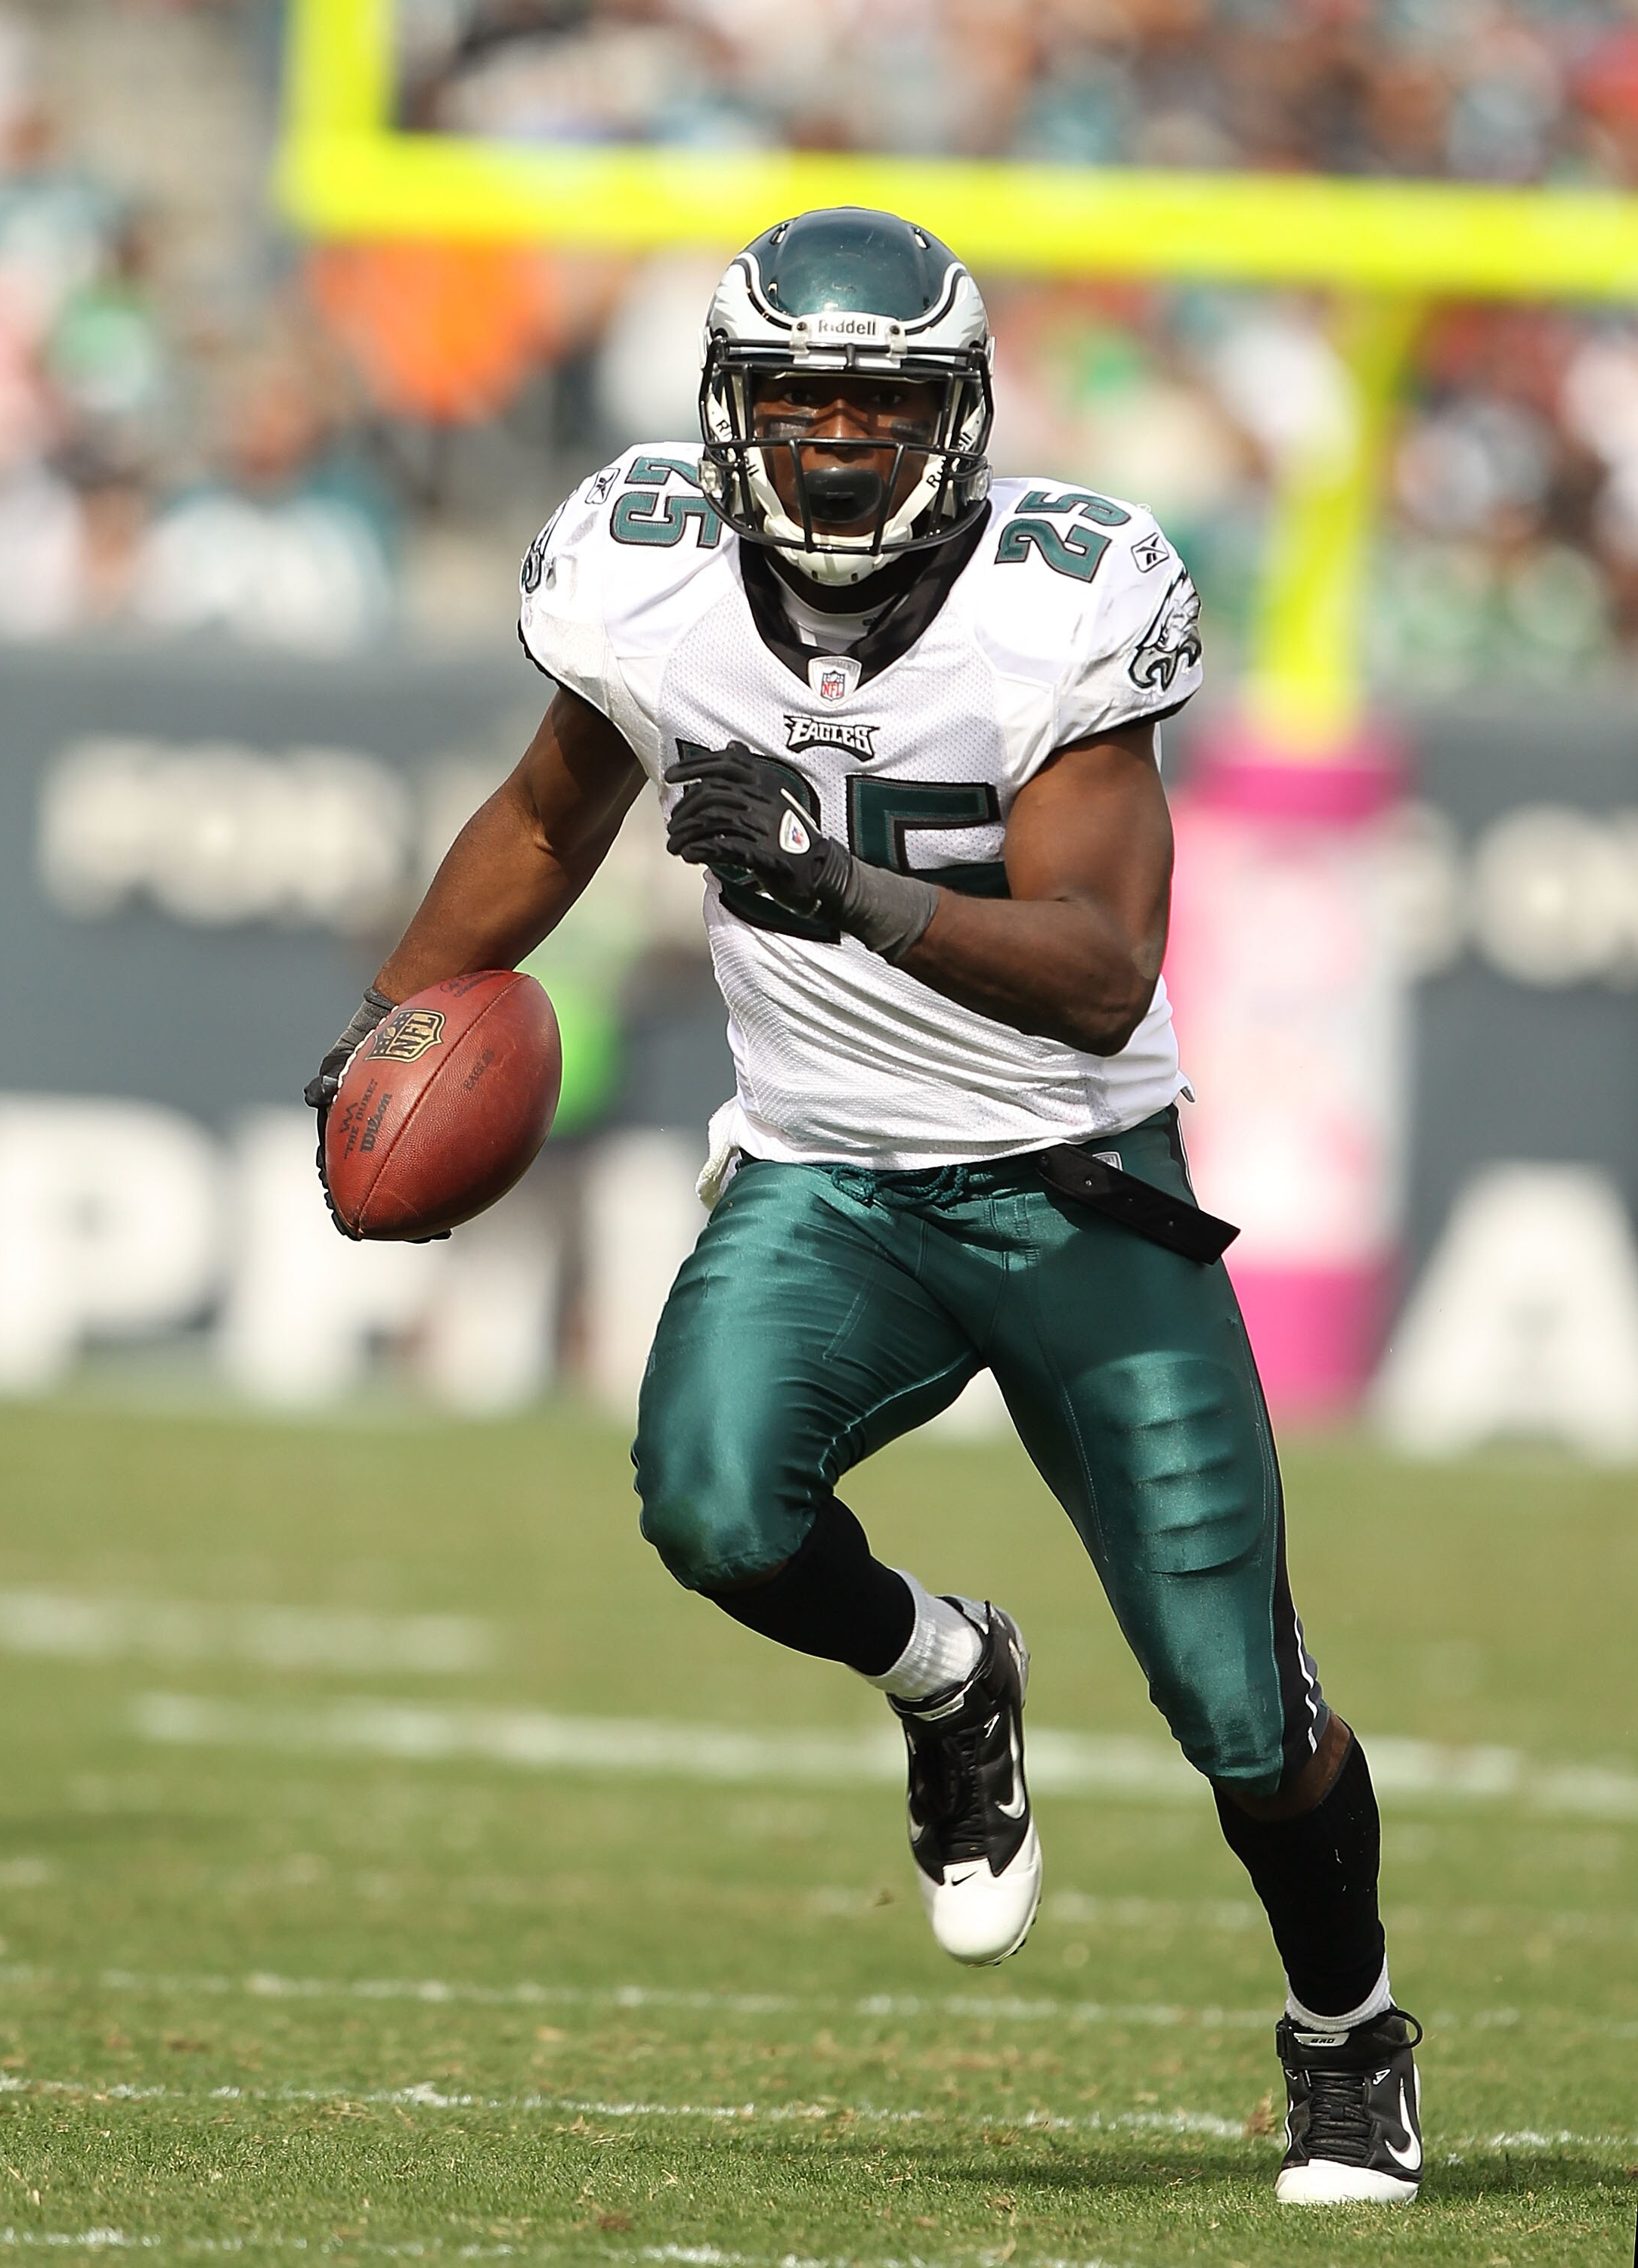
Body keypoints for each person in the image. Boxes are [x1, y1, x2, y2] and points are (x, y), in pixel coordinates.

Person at [306, 206, 1423, 2206]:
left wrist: (844, 886)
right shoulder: (649, 571)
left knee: (1237, 1706)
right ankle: (944, 1672)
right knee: (711, 1505)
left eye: (878, 405)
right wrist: (396, 1018)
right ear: (727, 409)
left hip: (1072, 1189)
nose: (835, 440)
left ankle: (1348, 2037)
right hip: (825, 1174)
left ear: (959, 418)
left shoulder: (1054, 604)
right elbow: (552, 813)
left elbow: (1101, 968)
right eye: (800, 399)